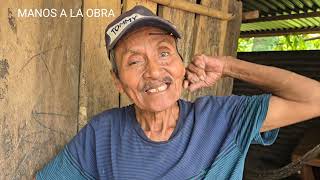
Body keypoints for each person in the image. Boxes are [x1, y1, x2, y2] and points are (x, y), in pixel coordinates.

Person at [36, 5, 320, 180]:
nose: (154, 71)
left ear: (182, 65)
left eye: (164, 53)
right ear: (118, 81)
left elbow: (314, 99)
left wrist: (229, 66)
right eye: (134, 61)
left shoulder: (223, 119)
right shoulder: (101, 134)